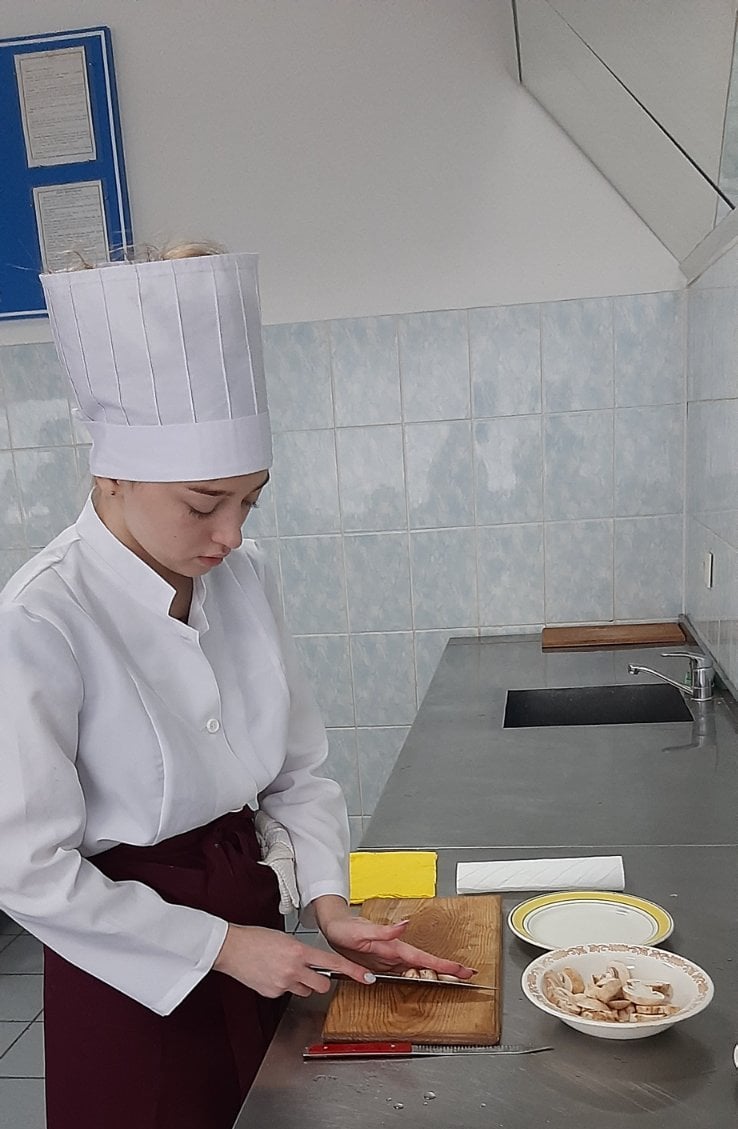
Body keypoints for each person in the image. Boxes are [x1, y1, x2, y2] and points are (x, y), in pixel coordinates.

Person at [0, 245, 474, 1129]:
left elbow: (297, 773)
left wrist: (329, 902)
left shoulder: (246, 578)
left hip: (257, 926)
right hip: (128, 957)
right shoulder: (40, 617)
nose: (229, 534)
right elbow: (25, 869)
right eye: (203, 502)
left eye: (249, 501)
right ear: (112, 473)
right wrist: (218, 945)